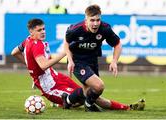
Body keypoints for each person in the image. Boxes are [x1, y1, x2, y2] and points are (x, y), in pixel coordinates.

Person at [11, 18, 145, 112]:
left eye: (44, 29)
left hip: (56, 77)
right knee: (88, 94)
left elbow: (15, 52)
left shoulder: (28, 41)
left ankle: (125, 107)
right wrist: (64, 53)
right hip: (49, 86)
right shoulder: (37, 45)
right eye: (39, 30)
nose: (43, 32)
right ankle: (126, 107)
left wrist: (31, 69)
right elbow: (43, 65)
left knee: (90, 95)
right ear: (31, 32)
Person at [63, 4, 123, 111]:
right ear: (86, 19)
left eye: (98, 20)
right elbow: (66, 43)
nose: (95, 23)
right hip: (77, 60)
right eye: (92, 20)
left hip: (92, 59)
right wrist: (70, 61)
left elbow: (117, 44)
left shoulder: (105, 29)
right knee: (99, 86)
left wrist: (114, 61)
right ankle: (89, 105)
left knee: (89, 90)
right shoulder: (75, 29)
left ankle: (67, 100)